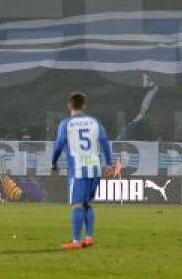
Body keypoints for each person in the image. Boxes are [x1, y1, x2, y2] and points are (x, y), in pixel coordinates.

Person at [51, 92, 114, 250]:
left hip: (78, 169)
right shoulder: (94, 122)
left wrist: (53, 162)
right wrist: (109, 164)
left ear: (69, 105)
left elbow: (59, 144)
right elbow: (105, 142)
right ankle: (88, 237)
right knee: (87, 203)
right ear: (84, 105)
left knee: (77, 204)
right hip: (95, 167)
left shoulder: (66, 124)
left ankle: (76, 241)